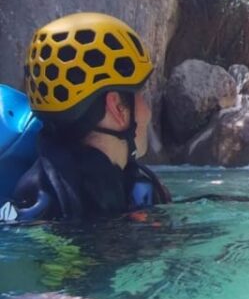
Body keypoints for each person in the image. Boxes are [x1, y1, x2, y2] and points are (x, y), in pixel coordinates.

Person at [4, 12, 170, 222]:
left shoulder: (126, 184)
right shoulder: (50, 211)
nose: (147, 110)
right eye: (140, 94)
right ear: (117, 107)